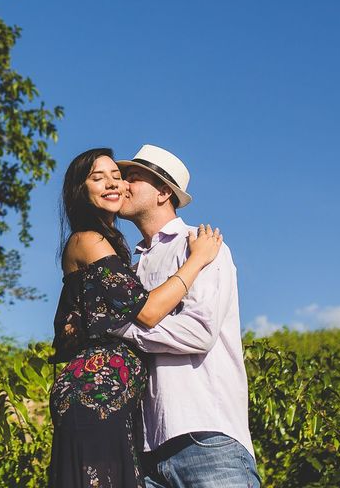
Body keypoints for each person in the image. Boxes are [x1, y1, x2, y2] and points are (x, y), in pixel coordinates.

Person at [49, 148, 224, 488]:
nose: (116, 184)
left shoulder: (117, 250)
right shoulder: (90, 240)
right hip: (95, 397)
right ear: (80, 191)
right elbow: (148, 310)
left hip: (112, 403)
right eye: (99, 178)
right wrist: (197, 260)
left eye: (118, 176)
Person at [116, 144, 260, 488]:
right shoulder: (133, 267)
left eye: (133, 177)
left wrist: (120, 329)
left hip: (207, 438)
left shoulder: (201, 245)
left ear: (164, 191)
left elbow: (198, 331)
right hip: (148, 450)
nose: (122, 185)